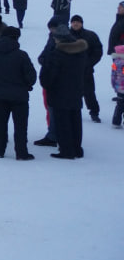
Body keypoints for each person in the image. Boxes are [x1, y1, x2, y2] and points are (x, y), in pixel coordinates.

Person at [0, 26, 37, 159]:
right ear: (16, 38)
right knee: (20, 126)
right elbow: (31, 76)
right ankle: (21, 152)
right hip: (20, 96)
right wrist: (27, 85)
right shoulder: (22, 55)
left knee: (0, 124)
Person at [40, 25, 88, 159]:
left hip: (59, 92)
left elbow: (49, 75)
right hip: (76, 90)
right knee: (75, 121)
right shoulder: (80, 52)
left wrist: (45, 81)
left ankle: (66, 150)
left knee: (63, 122)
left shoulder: (58, 53)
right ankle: (77, 149)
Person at [69, 15, 103, 123]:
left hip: (86, 71)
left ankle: (94, 112)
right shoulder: (66, 35)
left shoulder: (90, 35)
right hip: (69, 72)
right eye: (73, 22)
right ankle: (71, 112)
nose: (75, 24)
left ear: (82, 23)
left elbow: (98, 51)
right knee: (70, 93)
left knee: (89, 93)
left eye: (77, 22)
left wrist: (88, 63)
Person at [109, 45, 124, 128]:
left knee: (119, 105)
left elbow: (113, 75)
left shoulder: (115, 62)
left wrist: (114, 85)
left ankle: (116, 122)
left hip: (119, 88)